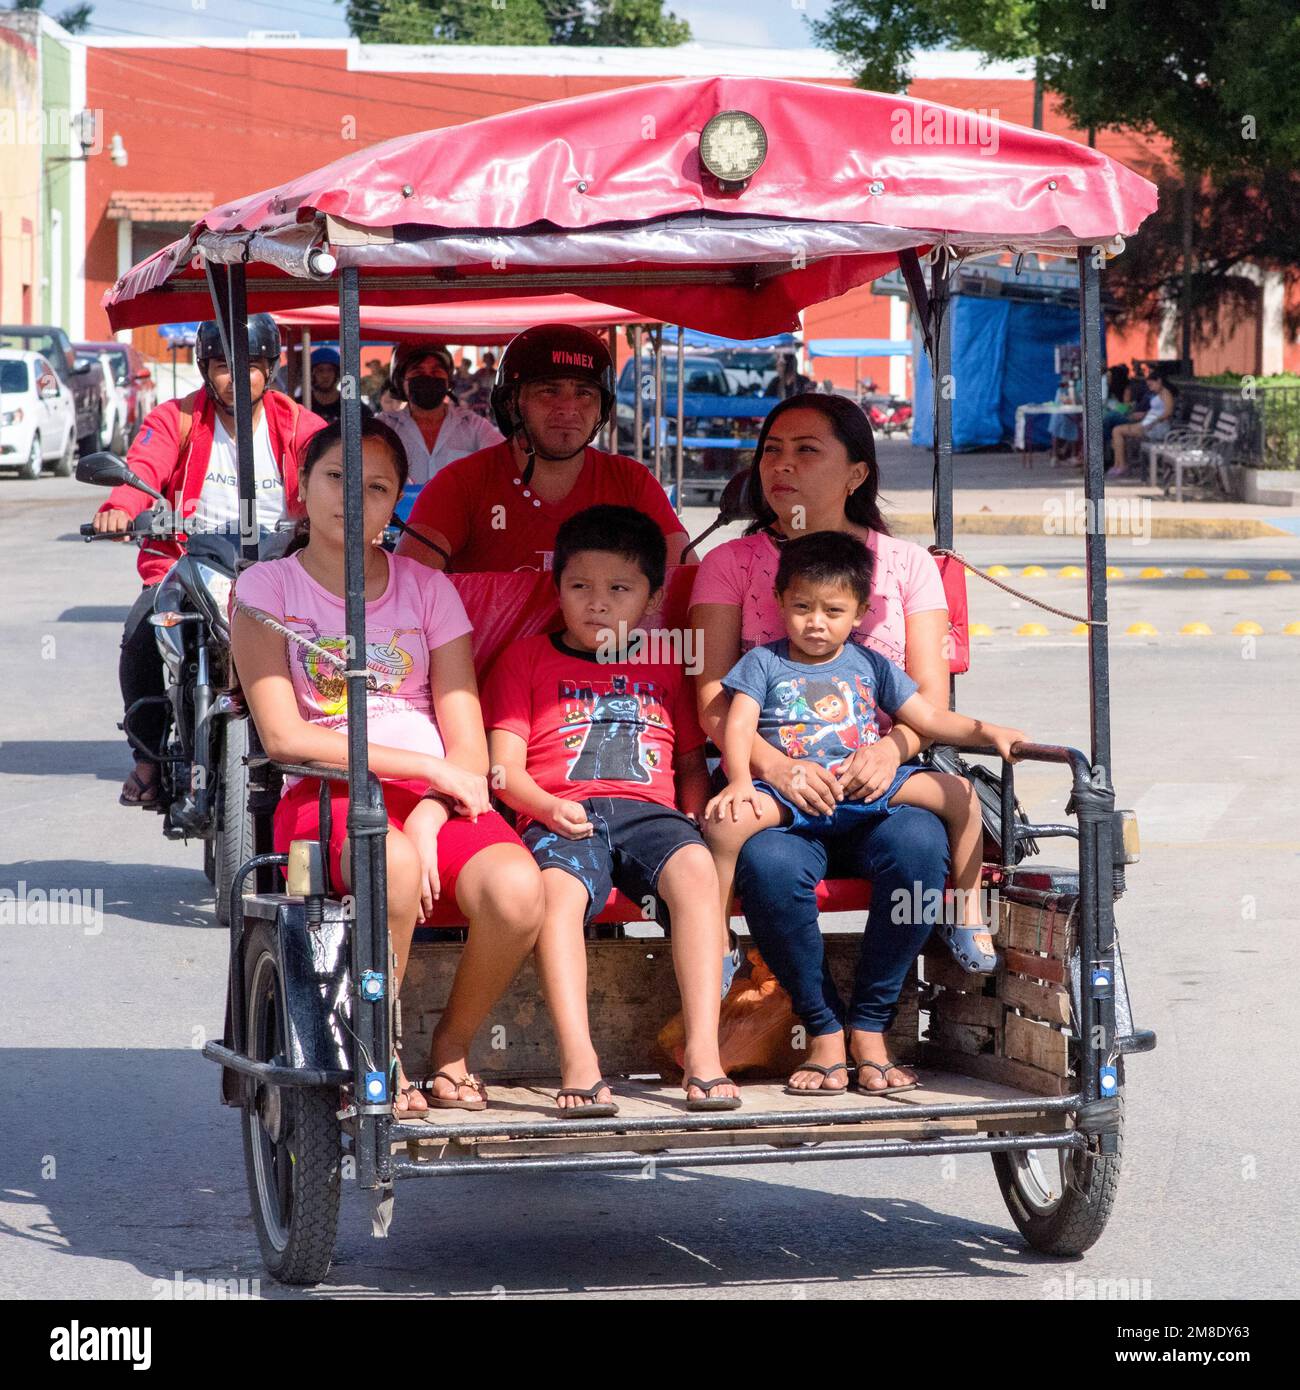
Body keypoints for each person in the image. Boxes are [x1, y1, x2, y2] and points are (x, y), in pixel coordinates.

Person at [231, 417, 545, 1116]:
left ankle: (453, 1045)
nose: (353, 498)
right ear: (302, 488)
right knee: (391, 864)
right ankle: (378, 1046)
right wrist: (420, 771)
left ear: (397, 500)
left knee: (520, 889)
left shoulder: (429, 590)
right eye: (337, 478)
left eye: (376, 487)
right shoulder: (265, 589)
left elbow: (465, 741)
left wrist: (433, 809)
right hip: (324, 793)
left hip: (433, 796)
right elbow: (285, 736)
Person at [690, 392, 954, 1096]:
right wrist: (777, 765)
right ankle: (823, 1030)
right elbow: (712, 700)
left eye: (807, 451)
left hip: (880, 789)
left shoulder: (905, 566)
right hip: (776, 793)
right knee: (773, 867)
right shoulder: (730, 564)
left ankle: (871, 1023)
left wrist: (893, 749)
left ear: (857, 473)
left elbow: (932, 700)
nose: (782, 465)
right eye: (772, 450)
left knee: (921, 848)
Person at [704, 532, 1027, 1047]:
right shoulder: (763, 663)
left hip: (863, 786)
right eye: (802, 607)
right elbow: (738, 726)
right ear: (780, 602)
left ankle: (965, 910)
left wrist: (988, 731)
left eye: (833, 610)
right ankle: (718, 938)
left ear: (858, 614)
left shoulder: (871, 664)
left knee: (959, 796)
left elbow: (926, 717)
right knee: (725, 826)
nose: (815, 622)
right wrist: (743, 779)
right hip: (792, 790)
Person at [484, 505, 740, 1114]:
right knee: (559, 894)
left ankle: (704, 1054)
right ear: (558, 590)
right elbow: (503, 770)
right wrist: (544, 808)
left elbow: (687, 765)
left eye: (619, 590)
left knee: (698, 872)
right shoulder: (524, 660)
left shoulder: (664, 662)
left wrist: (696, 820)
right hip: (561, 812)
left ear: (652, 600)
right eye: (580, 588)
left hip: (650, 814)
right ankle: (579, 1060)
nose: (597, 604)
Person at [91, 313, 327, 809]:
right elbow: (142, 467)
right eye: (224, 365)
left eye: (253, 366)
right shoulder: (175, 419)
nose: (238, 378)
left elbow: (336, 470)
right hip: (187, 564)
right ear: (205, 369)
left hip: (283, 567)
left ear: (272, 368)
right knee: (140, 630)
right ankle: (149, 761)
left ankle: (329, 756)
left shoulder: (303, 427)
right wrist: (120, 508)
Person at [395, 323, 691, 574]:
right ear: (511, 402)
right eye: (549, 390)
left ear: (603, 407)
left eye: (584, 393)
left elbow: (688, 579)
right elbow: (406, 591)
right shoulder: (460, 484)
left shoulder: (632, 482)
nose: (568, 408)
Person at [376, 342, 502, 490]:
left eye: (436, 371)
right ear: (400, 381)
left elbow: (504, 463)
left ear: (448, 380)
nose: (428, 378)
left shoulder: (474, 425)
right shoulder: (384, 428)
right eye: (418, 372)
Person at [1111, 369, 1174, 479]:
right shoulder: (1159, 394)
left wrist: (1153, 422)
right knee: (1116, 431)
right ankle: (1118, 465)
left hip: (1155, 428)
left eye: (1151, 384)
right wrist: (1144, 414)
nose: (1150, 388)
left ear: (1158, 381)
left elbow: (1168, 412)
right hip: (1147, 424)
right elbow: (1156, 410)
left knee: (1117, 431)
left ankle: (1121, 466)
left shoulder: (1166, 393)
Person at [298, 345, 372, 426]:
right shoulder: (300, 406)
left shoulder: (351, 406)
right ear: (312, 374)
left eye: (330, 370)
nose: (325, 375)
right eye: (320, 370)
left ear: (337, 374)